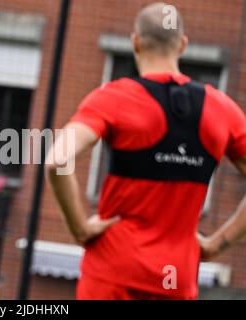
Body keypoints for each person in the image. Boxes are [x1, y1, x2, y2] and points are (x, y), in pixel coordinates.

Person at [45, 2, 246, 300]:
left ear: (136, 42)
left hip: (112, 275)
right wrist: (216, 244)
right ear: (183, 45)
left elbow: (58, 161)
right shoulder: (222, 109)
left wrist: (81, 229)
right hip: (176, 279)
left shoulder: (114, 98)